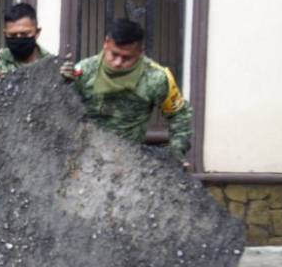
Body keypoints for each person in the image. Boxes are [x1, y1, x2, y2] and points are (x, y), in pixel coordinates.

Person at [62, 18, 193, 160]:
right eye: (114, 54)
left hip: (129, 159)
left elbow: (180, 115)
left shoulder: (156, 78)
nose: (118, 63)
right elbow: (64, 111)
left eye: (126, 58)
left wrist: (176, 151)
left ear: (140, 52)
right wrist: (63, 83)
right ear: (106, 44)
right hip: (86, 156)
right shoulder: (85, 71)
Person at [0, 3, 52, 75]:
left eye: (24, 34)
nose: (18, 38)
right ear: (5, 33)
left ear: (37, 32)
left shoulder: (51, 64)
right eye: (12, 34)